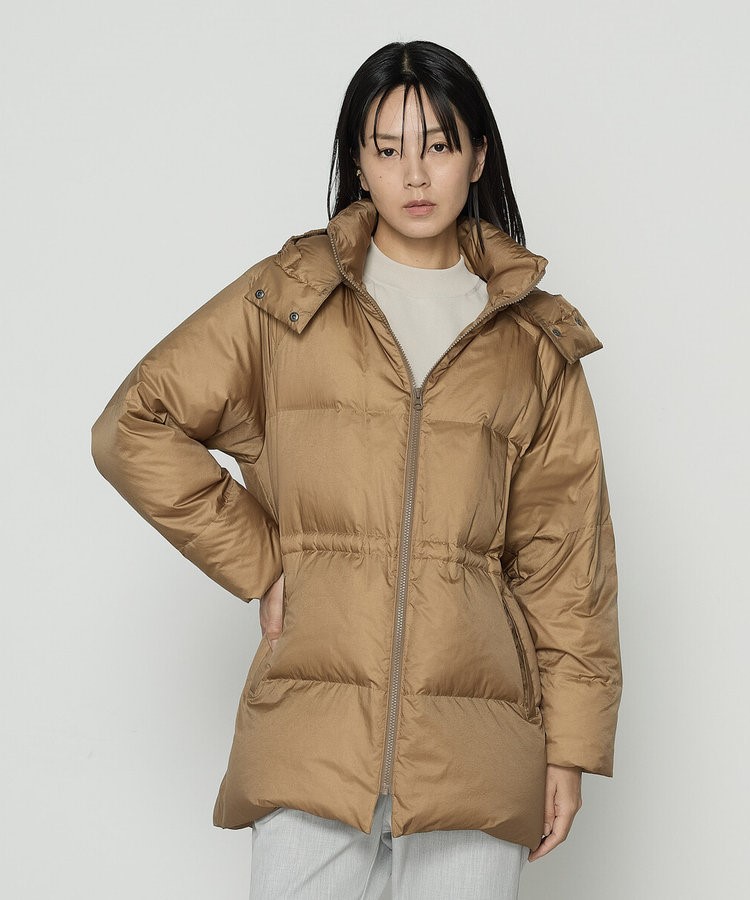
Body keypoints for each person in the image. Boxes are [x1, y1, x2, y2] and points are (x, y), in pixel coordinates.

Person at [91, 39, 622, 900]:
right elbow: (135, 424)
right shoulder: (289, 299)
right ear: (358, 162)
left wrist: (570, 747)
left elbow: (568, 562)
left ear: (477, 157)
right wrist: (262, 561)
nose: (415, 173)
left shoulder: (533, 342)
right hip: (314, 733)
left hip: (476, 746)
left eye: (439, 145)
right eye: (388, 148)